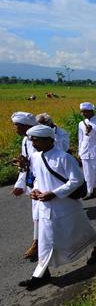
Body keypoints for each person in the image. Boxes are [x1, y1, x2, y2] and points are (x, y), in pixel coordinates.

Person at [19, 125, 96, 291]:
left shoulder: (64, 157)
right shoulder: (35, 157)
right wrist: (36, 189)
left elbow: (76, 180)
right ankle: (41, 274)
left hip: (66, 206)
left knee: (82, 229)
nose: (33, 143)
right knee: (45, 240)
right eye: (32, 140)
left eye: (36, 140)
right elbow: (36, 177)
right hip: (45, 206)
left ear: (48, 140)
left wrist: (55, 193)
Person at [11, 111, 39, 260]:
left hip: (44, 182)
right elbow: (25, 165)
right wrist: (19, 185)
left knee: (40, 215)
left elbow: (45, 162)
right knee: (38, 215)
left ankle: (37, 243)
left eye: (17, 125)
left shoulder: (40, 139)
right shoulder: (24, 141)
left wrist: (27, 163)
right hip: (32, 181)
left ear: (26, 126)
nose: (15, 129)